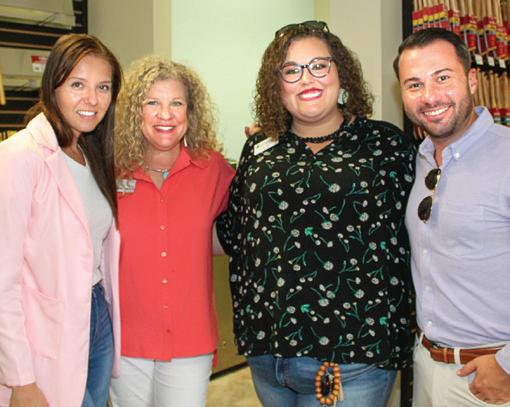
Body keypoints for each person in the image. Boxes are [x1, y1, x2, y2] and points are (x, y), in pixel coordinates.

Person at [216, 20, 416, 407]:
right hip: (267, 354)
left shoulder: (384, 145)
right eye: (291, 70)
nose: (307, 78)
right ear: (276, 85)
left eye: (319, 65)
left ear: (341, 72)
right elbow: (236, 233)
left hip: (353, 356)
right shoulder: (259, 149)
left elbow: (424, 237)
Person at [0, 34, 122, 407]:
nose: (92, 100)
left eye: (103, 87)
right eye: (77, 85)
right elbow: (2, 280)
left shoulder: (90, 152)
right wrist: (20, 378)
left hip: (96, 315)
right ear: (53, 86)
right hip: (46, 331)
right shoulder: (19, 156)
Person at [109, 55, 234, 407]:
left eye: (176, 103)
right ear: (135, 112)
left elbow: (242, 228)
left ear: (190, 112)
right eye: (152, 103)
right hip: (127, 339)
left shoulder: (212, 170)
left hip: (190, 339)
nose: (166, 114)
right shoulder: (110, 171)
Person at [394, 27, 510, 406]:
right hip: (427, 364)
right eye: (414, 84)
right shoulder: (421, 159)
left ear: (472, 80)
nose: (430, 96)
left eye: (443, 78)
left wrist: (507, 365)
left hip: (491, 376)